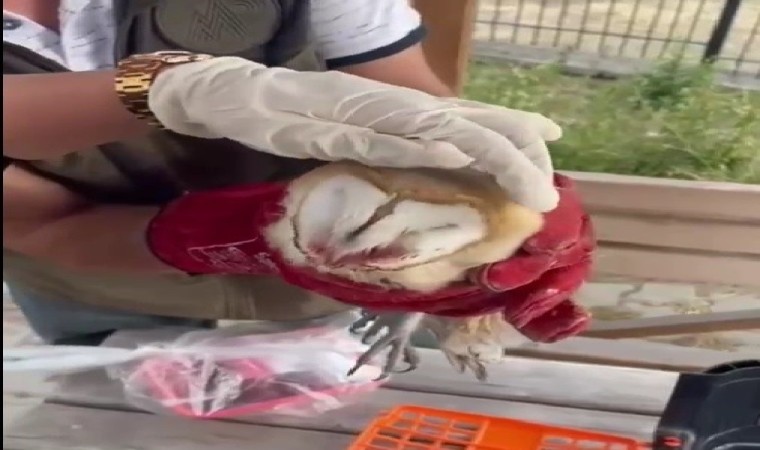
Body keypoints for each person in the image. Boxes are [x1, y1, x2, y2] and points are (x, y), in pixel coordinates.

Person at [3, 0, 594, 350]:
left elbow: (409, 104)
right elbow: (44, 225)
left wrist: (496, 199)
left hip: (347, 282)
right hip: (103, 294)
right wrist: (173, 90)